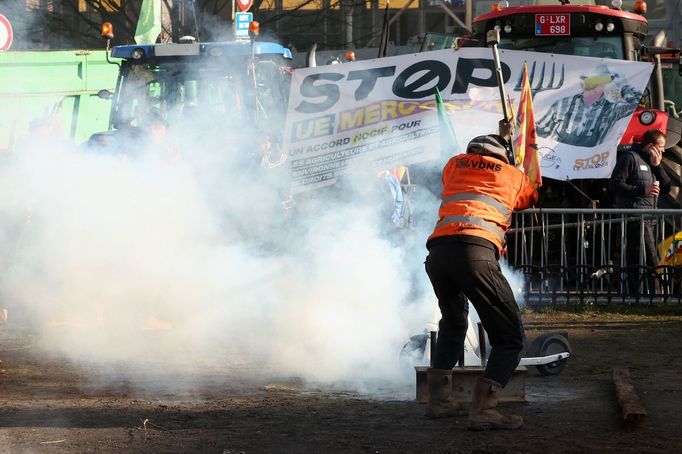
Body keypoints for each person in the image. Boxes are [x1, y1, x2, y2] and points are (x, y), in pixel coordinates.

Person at [423, 119, 538, 430]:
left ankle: (438, 402)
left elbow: (475, 168)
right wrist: (516, 157)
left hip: (438, 255)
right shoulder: (512, 174)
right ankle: (484, 408)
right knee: (510, 338)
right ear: (501, 156)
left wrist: (501, 141)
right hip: (475, 253)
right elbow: (529, 197)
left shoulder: (453, 166)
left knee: (454, 322)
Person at [609, 128, 671, 294]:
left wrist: (657, 166)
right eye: (661, 146)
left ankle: (638, 294)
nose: (663, 150)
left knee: (643, 256)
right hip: (635, 216)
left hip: (650, 217)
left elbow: (666, 187)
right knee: (650, 258)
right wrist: (642, 190)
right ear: (650, 146)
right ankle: (653, 297)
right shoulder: (629, 158)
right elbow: (615, 184)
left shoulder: (653, 160)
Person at [536, 63, 641, 147]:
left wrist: (623, 85)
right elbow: (541, 130)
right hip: (559, 162)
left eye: (599, 81)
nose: (594, 86)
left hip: (590, 164)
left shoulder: (611, 109)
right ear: (582, 84)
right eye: (591, 81)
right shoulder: (562, 105)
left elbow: (635, 103)